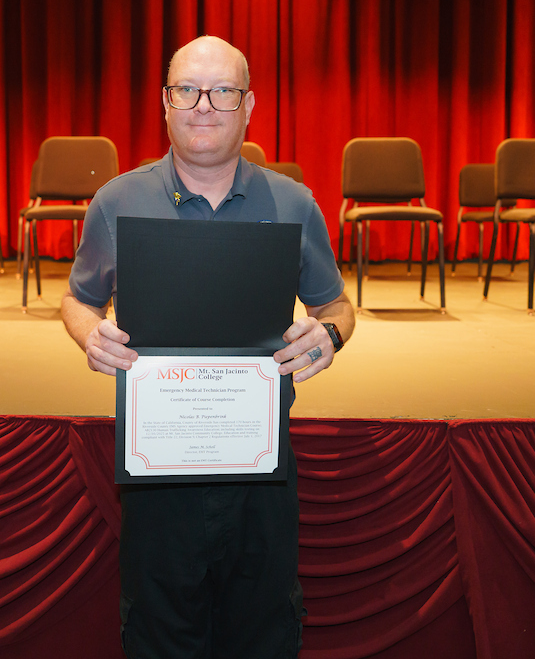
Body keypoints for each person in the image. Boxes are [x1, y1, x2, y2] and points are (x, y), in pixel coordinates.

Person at [62, 35, 354, 658]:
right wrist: (91, 335)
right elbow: (78, 299)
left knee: (264, 634)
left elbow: (336, 307)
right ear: (164, 103)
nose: (203, 105)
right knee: (160, 635)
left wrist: (327, 336)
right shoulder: (118, 200)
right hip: (157, 472)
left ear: (249, 105)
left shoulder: (294, 203)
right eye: (186, 90)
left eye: (222, 90)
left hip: (261, 469)